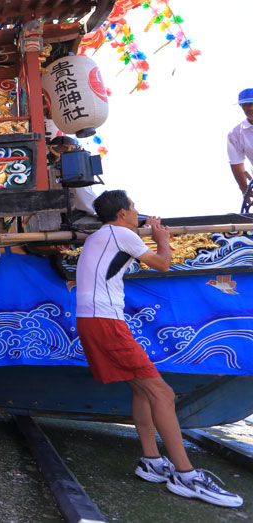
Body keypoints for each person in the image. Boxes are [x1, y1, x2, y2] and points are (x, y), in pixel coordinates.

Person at [76, 190, 243, 508]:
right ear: (123, 213)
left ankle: (152, 461)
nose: (137, 212)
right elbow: (163, 264)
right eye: (134, 208)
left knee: (142, 391)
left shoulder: (101, 235)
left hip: (95, 320)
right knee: (162, 394)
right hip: (105, 322)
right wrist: (161, 236)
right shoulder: (122, 234)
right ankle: (186, 475)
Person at [227, 88, 253, 198]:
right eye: (246, 104)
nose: (251, 107)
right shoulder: (236, 134)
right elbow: (236, 163)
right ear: (241, 106)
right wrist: (244, 189)